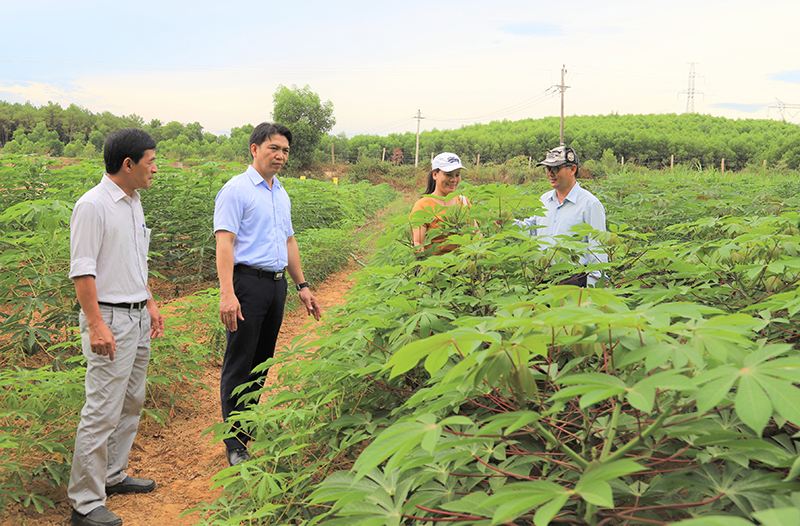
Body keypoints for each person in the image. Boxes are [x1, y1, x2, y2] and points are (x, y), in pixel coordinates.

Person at [68, 128, 165, 526]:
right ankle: (85, 502)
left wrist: (151, 302)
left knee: (131, 401)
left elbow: (134, 261)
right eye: (151, 161)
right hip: (108, 317)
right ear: (128, 164)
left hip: (137, 314)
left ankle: (113, 475)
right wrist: (95, 325)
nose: (155, 169)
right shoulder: (93, 206)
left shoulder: (133, 201)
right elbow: (83, 270)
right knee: (101, 409)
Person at [214, 122, 321, 467]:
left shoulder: (280, 192)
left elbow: (289, 242)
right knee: (239, 362)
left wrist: (302, 286)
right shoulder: (237, 190)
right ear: (254, 149)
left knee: (261, 362)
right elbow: (225, 243)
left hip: (276, 285)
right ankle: (234, 442)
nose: (280, 156)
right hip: (246, 284)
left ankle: (246, 428)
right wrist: (227, 293)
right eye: (274, 148)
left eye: (285, 150)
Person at [517, 145, 607, 287]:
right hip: (543, 277)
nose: (550, 174)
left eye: (556, 169)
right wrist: (507, 223)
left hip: (573, 280)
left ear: (572, 169)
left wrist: (592, 292)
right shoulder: (544, 200)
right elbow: (532, 228)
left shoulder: (590, 204)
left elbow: (598, 251)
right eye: (548, 169)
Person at [410, 152, 471, 254]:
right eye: (448, 174)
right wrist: (417, 249)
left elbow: (476, 235)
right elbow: (418, 245)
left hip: (463, 267)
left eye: (457, 175)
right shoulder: (422, 205)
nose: (454, 179)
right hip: (436, 268)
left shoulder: (463, 202)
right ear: (435, 174)